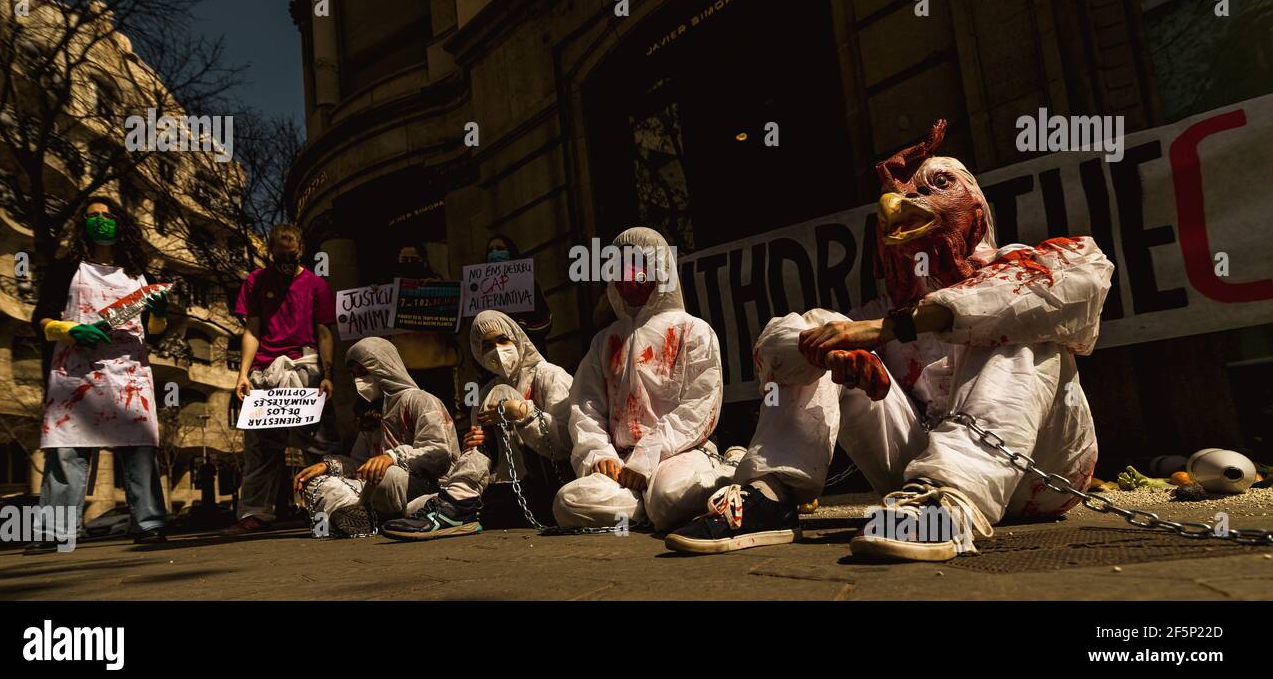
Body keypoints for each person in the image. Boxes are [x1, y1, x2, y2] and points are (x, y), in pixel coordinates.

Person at [665, 120, 1113, 560]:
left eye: (935, 186)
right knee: (819, 329)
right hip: (917, 483)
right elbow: (770, 354)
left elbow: (1083, 278)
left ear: (974, 209)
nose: (906, 202)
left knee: (1022, 328)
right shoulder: (875, 310)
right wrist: (831, 353)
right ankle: (772, 496)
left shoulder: (1017, 266)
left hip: (1042, 479)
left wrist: (892, 328)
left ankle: (952, 502)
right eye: (901, 196)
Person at [553, 226, 740, 531]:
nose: (627, 273)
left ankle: (728, 468)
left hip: (679, 452)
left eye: (637, 262)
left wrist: (649, 455)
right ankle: (643, 503)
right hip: (621, 463)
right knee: (568, 502)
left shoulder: (693, 330)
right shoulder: (604, 342)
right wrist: (599, 455)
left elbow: (700, 404)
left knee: (670, 500)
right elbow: (586, 407)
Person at [28, 197, 172, 554]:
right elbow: (41, 317)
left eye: (107, 215)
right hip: (76, 375)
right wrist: (69, 330)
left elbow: (155, 331)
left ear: (121, 223)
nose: (101, 221)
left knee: (139, 449)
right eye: (92, 216)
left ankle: (149, 523)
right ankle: (56, 531)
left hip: (129, 377)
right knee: (67, 451)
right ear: (82, 226)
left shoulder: (139, 275)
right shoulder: (66, 269)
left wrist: (159, 314)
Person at [293, 337, 486, 540]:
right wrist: (330, 465)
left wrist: (392, 457)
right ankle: (365, 517)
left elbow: (439, 455)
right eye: (354, 375)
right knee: (317, 483)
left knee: (390, 475)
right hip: (377, 489)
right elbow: (361, 464)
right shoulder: (371, 411)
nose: (359, 381)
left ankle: (372, 516)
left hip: (422, 485)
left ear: (384, 367)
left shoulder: (421, 400)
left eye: (364, 373)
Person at [225, 224, 339, 535]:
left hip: (307, 369)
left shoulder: (317, 286)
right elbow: (252, 329)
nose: (287, 261)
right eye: (280, 256)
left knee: (318, 446)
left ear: (302, 251)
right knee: (260, 448)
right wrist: (243, 374)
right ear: (270, 253)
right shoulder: (256, 281)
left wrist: (328, 376)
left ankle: (330, 507)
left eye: (293, 256)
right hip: (265, 373)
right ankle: (254, 513)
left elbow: (325, 332)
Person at [458, 309, 572, 527]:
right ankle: (462, 495)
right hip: (505, 487)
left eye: (502, 340)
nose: (497, 351)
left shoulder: (550, 375)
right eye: (487, 346)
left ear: (517, 337)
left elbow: (565, 443)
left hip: (551, 480)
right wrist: (474, 444)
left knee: (503, 393)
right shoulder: (485, 393)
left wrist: (523, 414)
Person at [388, 243, 460, 417]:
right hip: (406, 370)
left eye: (414, 260)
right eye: (405, 260)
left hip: (437, 368)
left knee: (442, 418)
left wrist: (438, 293)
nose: (409, 263)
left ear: (424, 262)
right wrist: (375, 296)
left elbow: (456, 328)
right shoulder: (389, 293)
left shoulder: (439, 287)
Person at [483, 235, 552, 352]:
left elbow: (546, 323)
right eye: (490, 251)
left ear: (510, 252)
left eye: (500, 249)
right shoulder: (482, 291)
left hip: (530, 356)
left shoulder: (529, 284)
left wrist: (521, 327)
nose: (494, 253)